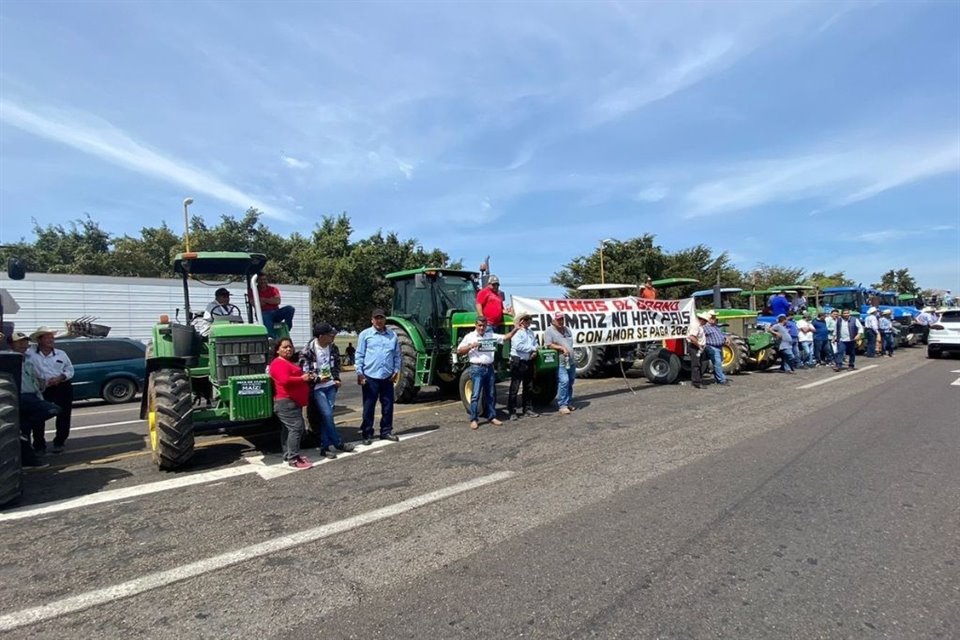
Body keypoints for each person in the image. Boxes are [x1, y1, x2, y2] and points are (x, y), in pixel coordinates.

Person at [301, 322, 355, 460]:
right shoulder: (308, 350)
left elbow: (336, 364)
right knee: (327, 414)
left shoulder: (333, 347)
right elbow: (305, 371)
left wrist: (336, 378)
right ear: (321, 336)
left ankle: (326, 447)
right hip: (318, 387)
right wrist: (318, 379)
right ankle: (336, 443)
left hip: (331, 386)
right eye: (330, 334)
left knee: (328, 415)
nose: (333, 336)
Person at [457, 316, 519, 429]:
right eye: (480, 325)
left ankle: (492, 417)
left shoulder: (490, 335)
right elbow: (459, 350)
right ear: (475, 325)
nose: (482, 328)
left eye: (484, 326)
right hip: (476, 368)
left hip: (489, 368)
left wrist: (515, 329)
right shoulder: (469, 336)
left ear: (486, 326)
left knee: (491, 394)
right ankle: (474, 419)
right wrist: (471, 346)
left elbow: (505, 338)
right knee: (475, 395)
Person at [355, 308, 402, 445]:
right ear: (372, 320)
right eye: (376, 318)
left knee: (388, 406)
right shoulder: (365, 335)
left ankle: (386, 431)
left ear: (384, 319)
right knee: (369, 406)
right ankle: (367, 433)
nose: (379, 321)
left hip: (387, 376)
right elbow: (359, 354)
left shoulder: (392, 335)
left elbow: (397, 355)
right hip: (370, 376)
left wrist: (396, 370)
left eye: (381, 318)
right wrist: (359, 372)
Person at [8, 331, 55, 468]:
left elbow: (35, 377)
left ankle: (23, 431)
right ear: (11, 344)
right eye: (19, 341)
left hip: (33, 395)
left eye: (25, 341)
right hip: (20, 397)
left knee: (50, 412)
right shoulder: (8, 360)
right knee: (26, 435)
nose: (24, 344)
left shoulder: (29, 358)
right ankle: (29, 460)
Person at [26, 326, 74, 454]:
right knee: (39, 416)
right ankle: (39, 445)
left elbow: (69, 370)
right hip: (41, 388)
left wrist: (61, 377)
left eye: (51, 337)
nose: (50, 340)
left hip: (61, 387)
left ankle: (60, 442)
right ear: (39, 340)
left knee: (64, 415)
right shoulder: (30, 353)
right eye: (47, 337)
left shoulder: (61, 354)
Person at [268, 338, 312, 469]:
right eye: (285, 347)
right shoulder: (278, 363)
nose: (289, 349)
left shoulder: (286, 362)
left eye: (290, 347)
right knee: (296, 428)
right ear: (277, 350)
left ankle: (288, 454)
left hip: (292, 401)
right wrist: (302, 378)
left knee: (287, 430)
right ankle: (293, 458)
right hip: (286, 401)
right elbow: (284, 380)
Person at [507, 313, 540, 420]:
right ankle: (512, 411)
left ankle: (527, 409)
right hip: (518, 361)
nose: (528, 321)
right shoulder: (517, 332)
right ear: (520, 321)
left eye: (528, 319)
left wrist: (534, 350)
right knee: (515, 387)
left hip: (528, 360)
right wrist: (532, 349)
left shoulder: (530, 332)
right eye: (525, 319)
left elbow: (536, 343)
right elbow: (518, 346)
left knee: (528, 386)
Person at [544, 312, 578, 412]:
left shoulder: (567, 329)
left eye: (562, 319)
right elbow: (549, 344)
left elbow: (570, 343)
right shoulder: (549, 331)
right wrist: (561, 347)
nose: (561, 321)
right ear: (553, 321)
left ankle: (568, 402)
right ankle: (562, 405)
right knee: (564, 381)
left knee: (570, 381)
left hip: (571, 360)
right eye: (558, 319)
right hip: (560, 361)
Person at [255, 273, 295, 338]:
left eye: (264, 279)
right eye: (260, 280)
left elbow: (277, 301)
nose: (263, 281)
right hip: (264, 313)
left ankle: (287, 327)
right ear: (257, 281)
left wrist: (264, 299)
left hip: (275, 312)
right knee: (264, 316)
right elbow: (255, 303)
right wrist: (271, 300)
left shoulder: (273, 289)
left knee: (290, 309)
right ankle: (272, 337)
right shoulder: (253, 290)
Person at [703, 311, 729, 386]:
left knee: (719, 362)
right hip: (712, 347)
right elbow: (700, 336)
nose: (714, 319)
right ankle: (722, 380)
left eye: (715, 317)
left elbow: (721, 334)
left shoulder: (715, 327)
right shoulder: (705, 327)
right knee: (717, 363)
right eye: (713, 317)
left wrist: (725, 338)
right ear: (708, 318)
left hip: (719, 346)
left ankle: (718, 377)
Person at [686, 312, 709, 387]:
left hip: (698, 346)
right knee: (696, 364)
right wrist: (699, 346)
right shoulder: (695, 325)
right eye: (705, 321)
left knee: (702, 363)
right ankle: (696, 382)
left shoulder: (699, 326)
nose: (706, 323)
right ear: (702, 320)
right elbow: (692, 337)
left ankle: (698, 379)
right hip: (695, 346)